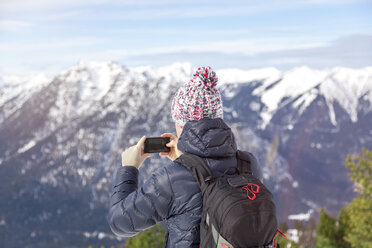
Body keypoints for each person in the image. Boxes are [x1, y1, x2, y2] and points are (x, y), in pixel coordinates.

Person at [107, 66, 262, 247]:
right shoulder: (249, 164)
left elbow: (120, 222)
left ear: (182, 123)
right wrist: (186, 161)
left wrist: (129, 168)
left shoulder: (173, 178)